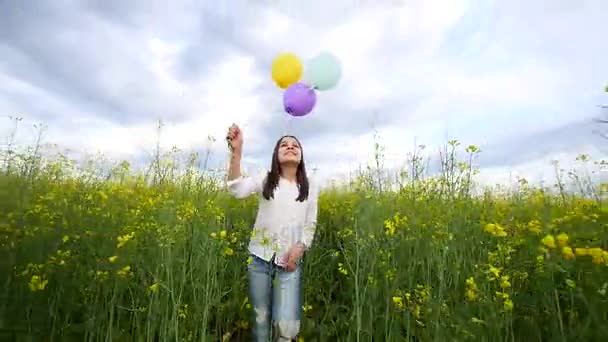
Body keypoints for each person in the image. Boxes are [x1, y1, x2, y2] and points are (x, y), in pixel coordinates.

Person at [225, 123, 319, 341]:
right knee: (260, 322)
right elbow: (236, 189)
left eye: (295, 145)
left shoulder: (311, 185)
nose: (290, 147)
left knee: (287, 328)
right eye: (284, 144)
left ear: (301, 155)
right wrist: (237, 152)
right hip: (259, 260)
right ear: (276, 155)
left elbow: (311, 222)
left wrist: (301, 247)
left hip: (289, 264)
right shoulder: (266, 178)